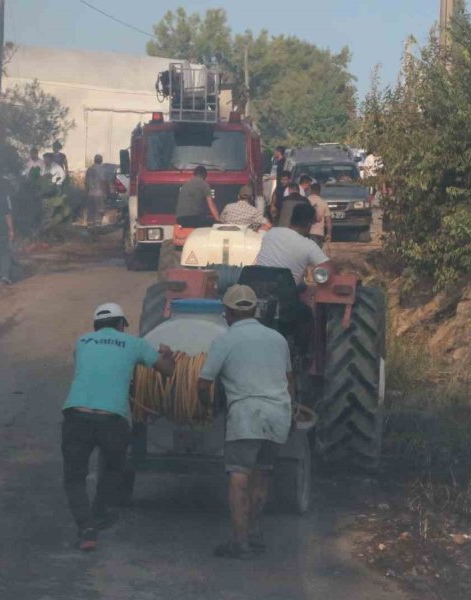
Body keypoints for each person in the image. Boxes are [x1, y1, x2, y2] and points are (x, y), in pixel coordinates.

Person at [62, 303, 175, 551]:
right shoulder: (134, 343)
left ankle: (86, 528)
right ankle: (99, 513)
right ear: (122, 324)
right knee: (114, 469)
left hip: (76, 416)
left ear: (95, 326)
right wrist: (168, 355)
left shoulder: (82, 342)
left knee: (74, 478)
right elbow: (167, 371)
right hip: (112, 419)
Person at [198, 285, 293, 559]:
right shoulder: (278, 339)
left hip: (246, 416)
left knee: (239, 477)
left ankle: (240, 543)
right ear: (255, 309)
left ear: (227, 312)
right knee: (262, 475)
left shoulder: (225, 341)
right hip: (278, 415)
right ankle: (253, 532)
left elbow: (204, 384)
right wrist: (291, 411)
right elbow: (290, 382)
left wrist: (208, 409)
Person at [256, 203, 330, 285]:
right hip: (284, 291)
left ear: (291, 218)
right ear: (309, 224)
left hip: (256, 287)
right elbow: (328, 268)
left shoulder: (271, 233)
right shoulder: (308, 245)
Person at [84, 154, 111, 228]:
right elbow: (103, 182)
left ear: (94, 160)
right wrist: (105, 193)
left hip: (90, 194)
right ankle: (97, 227)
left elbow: (86, 183)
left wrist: (86, 193)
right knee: (99, 211)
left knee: (91, 211)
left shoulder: (89, 169)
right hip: (99, 193)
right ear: (101, 160)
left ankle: (90, 226)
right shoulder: (102, 169)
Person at [306, 183, 332, 247]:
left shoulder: (305, 201)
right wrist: (328, 234)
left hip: (307, 232)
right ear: (319, 191)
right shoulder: (323, 203)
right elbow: (328, 221)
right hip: (319, 234)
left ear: (310, 190)